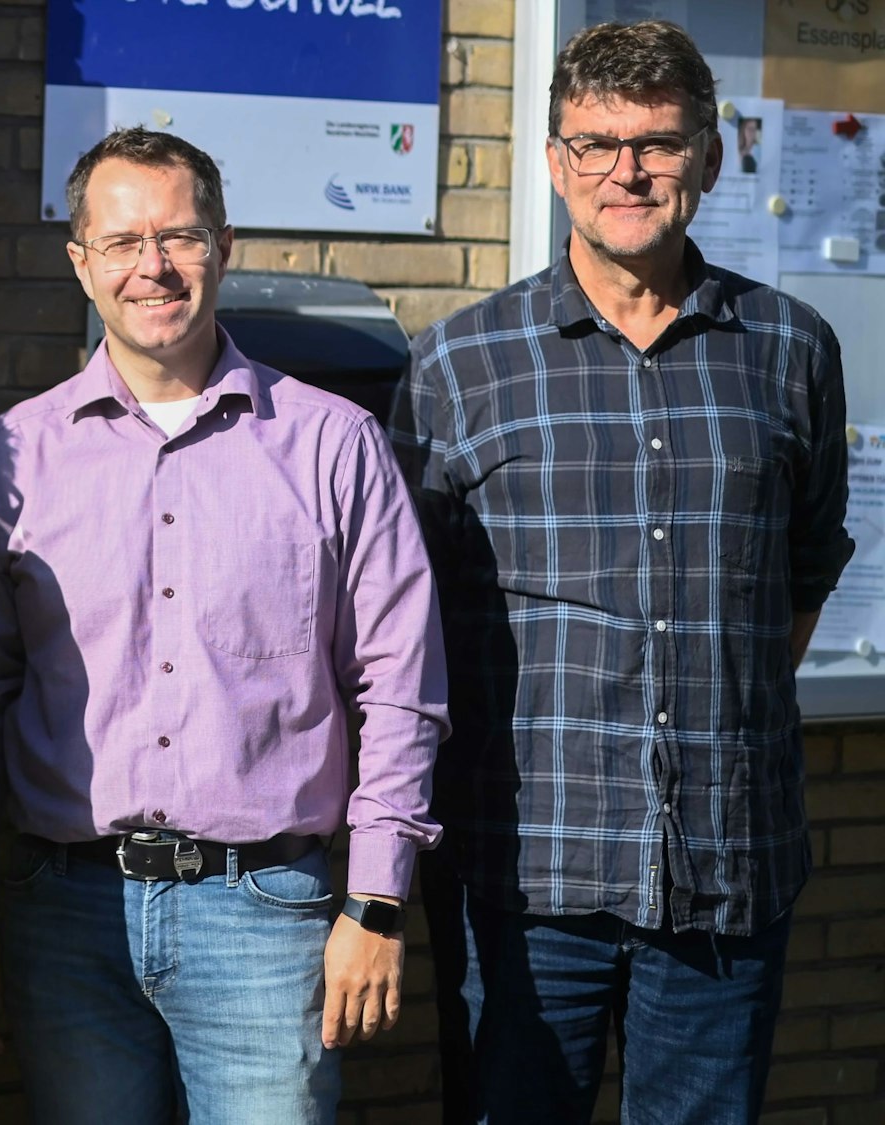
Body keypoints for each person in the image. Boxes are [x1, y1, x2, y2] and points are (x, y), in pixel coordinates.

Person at [390, 21, 855, 1125]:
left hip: (722, 869)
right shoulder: (459, 363)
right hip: (524, 876)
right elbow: (407, 618)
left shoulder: (789, 348)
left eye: (654, 142)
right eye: (594, 144)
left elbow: (803, 569)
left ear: (708, 154)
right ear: (554, 164)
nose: (625, 172)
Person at [0, 126, 449, 1125]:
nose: (152, 267)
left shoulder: (330, 445)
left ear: (223, 245)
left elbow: (399, 683)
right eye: (123, 241)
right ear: (79, 262)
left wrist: (375, 901)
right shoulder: (7, 461)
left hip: (267, 915)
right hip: (65, 914)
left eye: (177, 237)